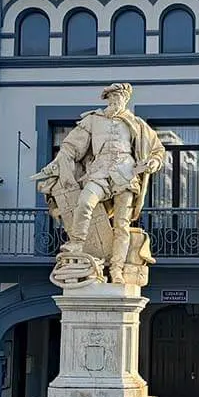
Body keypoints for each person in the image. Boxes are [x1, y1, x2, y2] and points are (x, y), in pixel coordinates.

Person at [31, 82, 164, 284]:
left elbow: (157, 150)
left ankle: (117, 269)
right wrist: (58, 164)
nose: (115, 101)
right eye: (111, 97)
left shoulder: (136, 124)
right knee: (85, 202)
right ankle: (77, 243)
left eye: (118, 97)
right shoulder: (93, 120)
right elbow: (70, 147)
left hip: (126, 173)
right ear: (107, 99)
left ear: (125, 99)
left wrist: (152, 163)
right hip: (100, 171)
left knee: (122, 225)